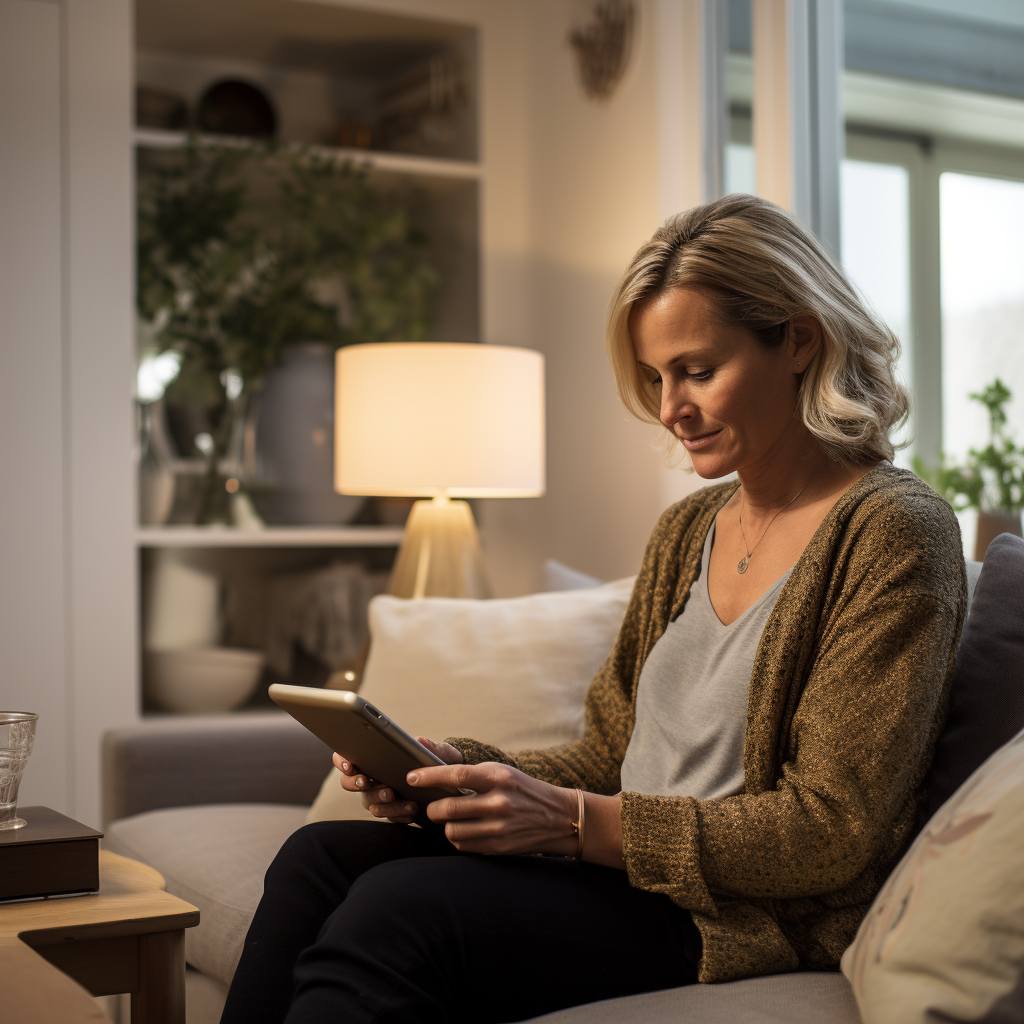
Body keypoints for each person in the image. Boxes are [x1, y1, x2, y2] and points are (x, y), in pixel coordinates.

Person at [221, 194, 967, 1024]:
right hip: (613, 862)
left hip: (724, 911)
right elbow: (614, 753)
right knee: (316, 858)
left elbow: (828, 830)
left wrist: (574, 825)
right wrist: (453, 767)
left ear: (798, 339)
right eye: (656, 377)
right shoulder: (689, 529)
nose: (670, 408)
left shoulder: (896, 531)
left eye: (696, 369)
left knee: (396, 912)